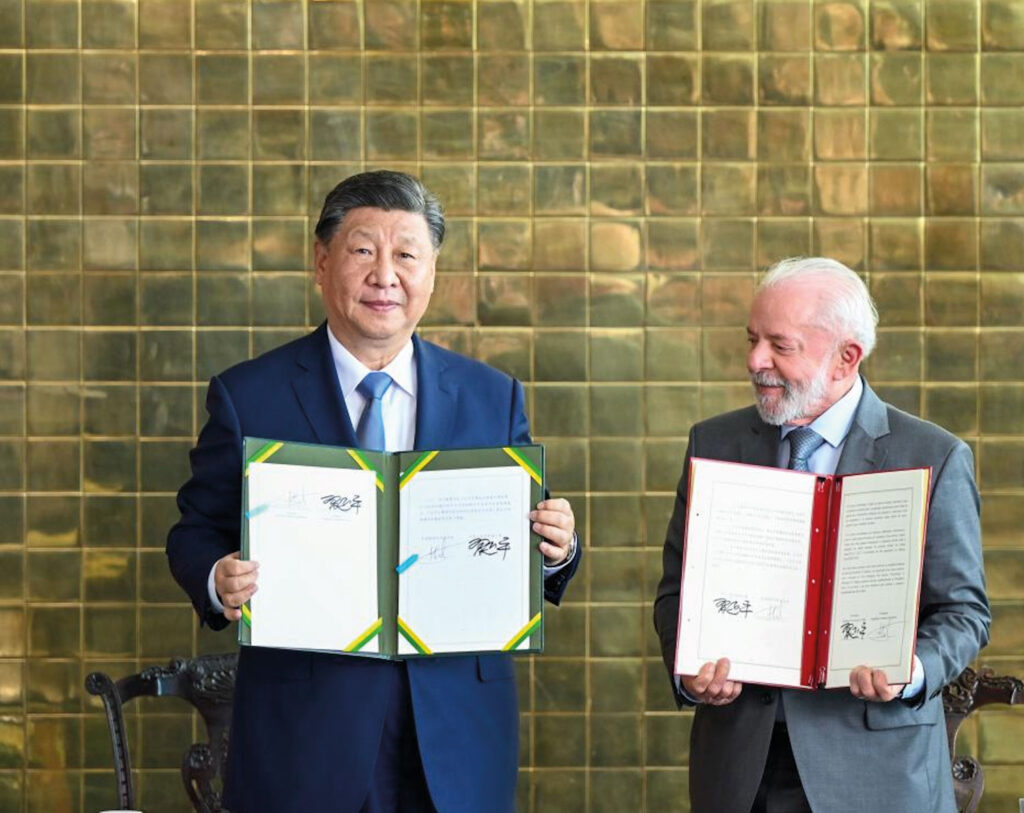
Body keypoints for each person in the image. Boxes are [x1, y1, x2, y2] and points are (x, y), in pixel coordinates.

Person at [166, 170, 581, 813]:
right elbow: (195, 529)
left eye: (407, 255)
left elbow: (523, 537)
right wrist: (217, 578)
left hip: (455, 733)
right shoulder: (250, 396)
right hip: (305, 736)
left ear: (432, 273)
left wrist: (557, 548)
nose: (385, 275)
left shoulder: (492, 397)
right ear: (322, 261)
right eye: (364, 251)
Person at [653, 257, 990, 812]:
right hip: (740, 768)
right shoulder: (713, 443)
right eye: (753, 339)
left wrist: (913, 670)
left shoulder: (934, 456)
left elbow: (964, 612)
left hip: (875, 773)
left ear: (846, 358)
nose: (755, 361)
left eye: (780, 347)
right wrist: (691, 673)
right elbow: (675, 595)